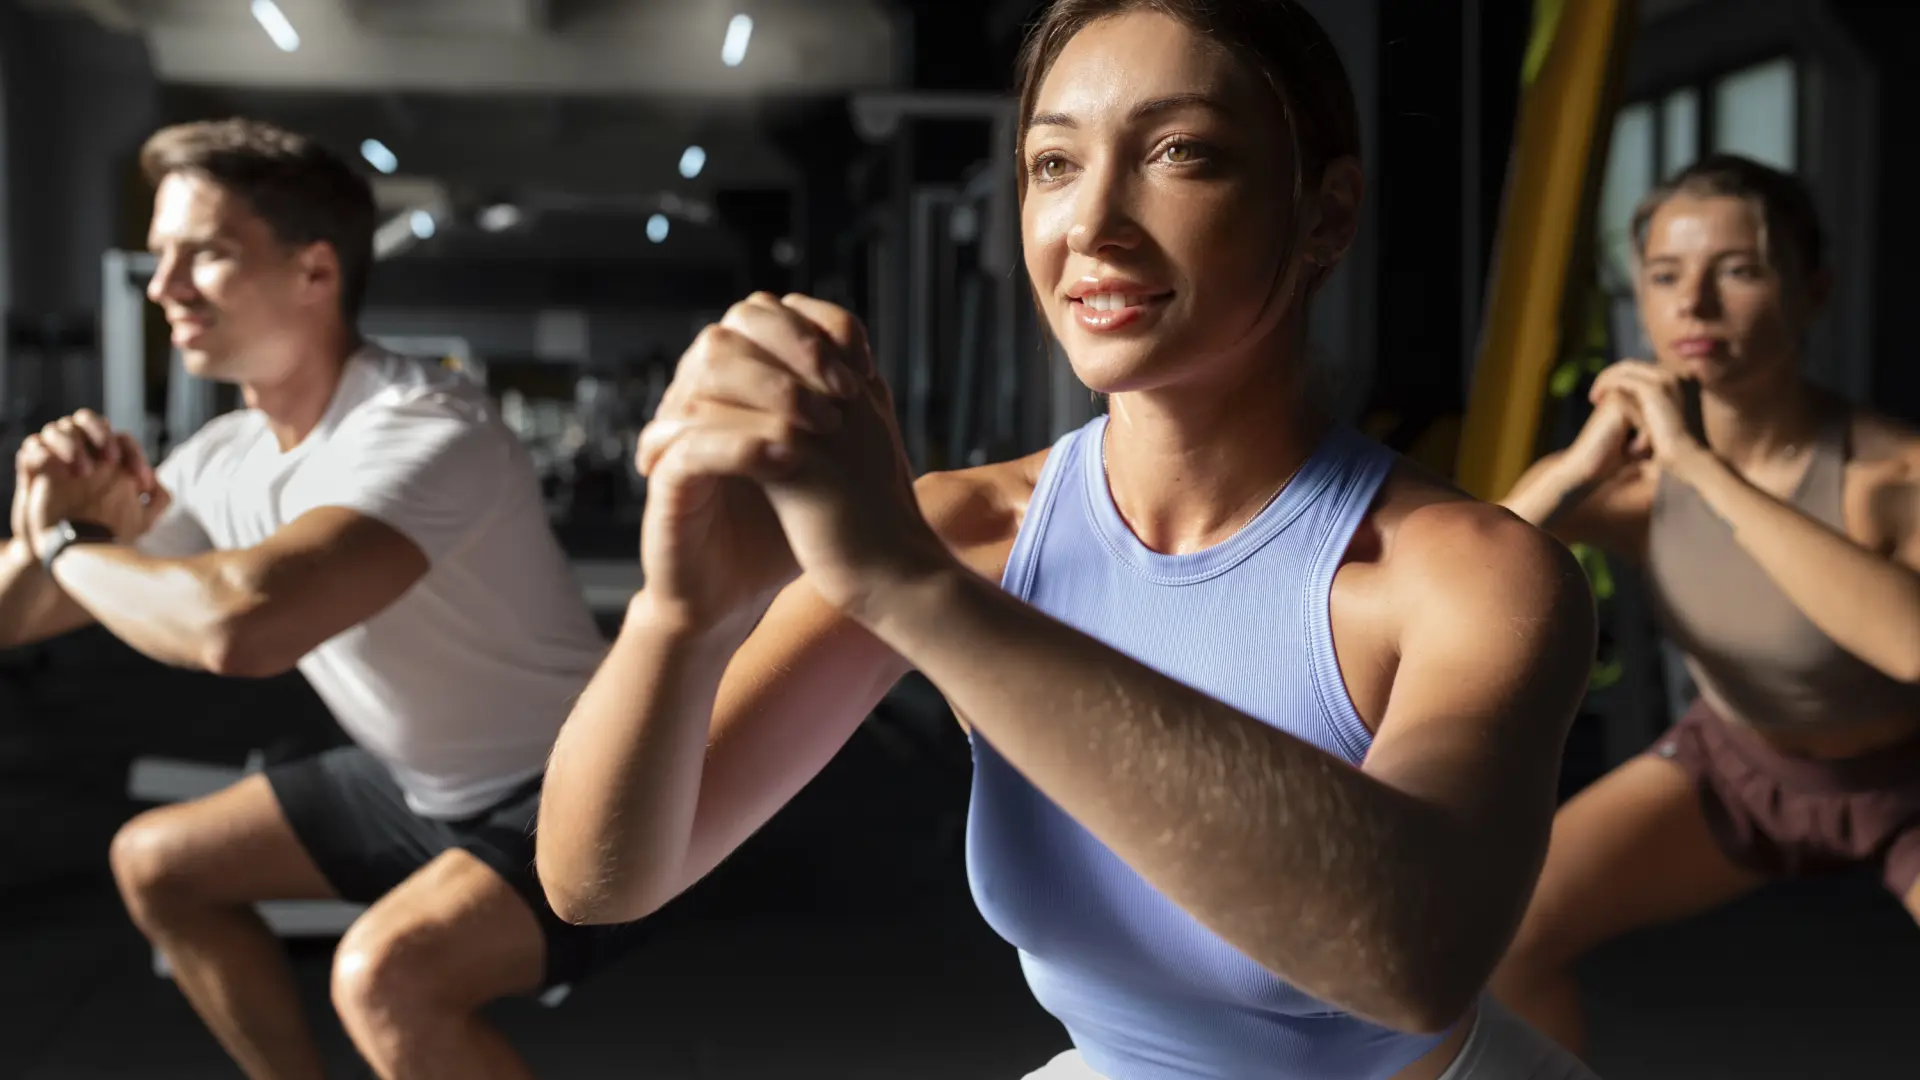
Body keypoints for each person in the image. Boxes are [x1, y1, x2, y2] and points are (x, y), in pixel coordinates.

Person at [536, 2, 1603, 1077]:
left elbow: (1414, 955)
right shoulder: (967, 537)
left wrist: (912, 590)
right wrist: (683, 618)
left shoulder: (1467, 577)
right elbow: (601, 879)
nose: (1092, 223)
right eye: (1053, 163)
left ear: (1324, 214)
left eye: (1179, 152)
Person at [0, 118, 626, 1080]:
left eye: (203, 254)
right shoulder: (222, 458)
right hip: (416, 783)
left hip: (578, 790)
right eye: (162, 254)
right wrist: (44, 517)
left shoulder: (421, 426)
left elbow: (239, 625)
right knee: (159, 861)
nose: (165, 286)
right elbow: (19, 614)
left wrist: (67, 544)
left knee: (388, 981)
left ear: (315, 272)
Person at [1490, 153, 1920, 1057]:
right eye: (1665, 276)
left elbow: (1912, 647)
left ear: (1813, 291)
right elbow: (1469, 571)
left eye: (1740, 269)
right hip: (1738, 767)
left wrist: (1699, 468)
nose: (1695, 304)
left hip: (1906, 780)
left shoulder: (1894, 474)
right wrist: (1574, 471)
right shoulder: (1636, 487)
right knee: (1496, 933)